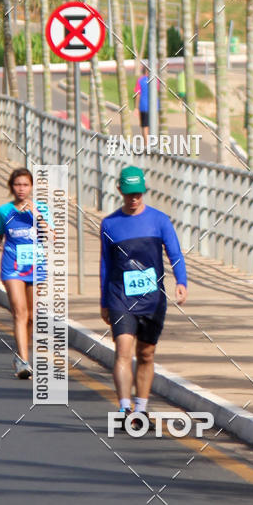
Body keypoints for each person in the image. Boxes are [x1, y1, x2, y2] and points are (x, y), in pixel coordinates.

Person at [100, 165, 187, 423]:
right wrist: (104, 301)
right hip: (120, 297)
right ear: (119, 191)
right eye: (129, 193)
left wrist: (181, 281)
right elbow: (105, 265)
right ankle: (124, 408)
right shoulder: (110, 224)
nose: (134, 198)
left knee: (147, 354)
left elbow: (175, 253)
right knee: (123, 352)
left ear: (144, 191)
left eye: (138, 193)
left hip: (152, 299)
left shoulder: (159, 220)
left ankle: (141, 408)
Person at [0, 167, 52, 379]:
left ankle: (20, 353)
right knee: (20, 313)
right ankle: (24, 362)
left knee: (32, 316)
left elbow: (52, 236)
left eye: (25, 185)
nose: (21, 189)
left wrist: (37, 215)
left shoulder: (40, 208)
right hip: (12, 267)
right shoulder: (4, 210)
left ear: (31, 187)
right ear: (11, 187)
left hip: (35, 266)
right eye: (17, 185)